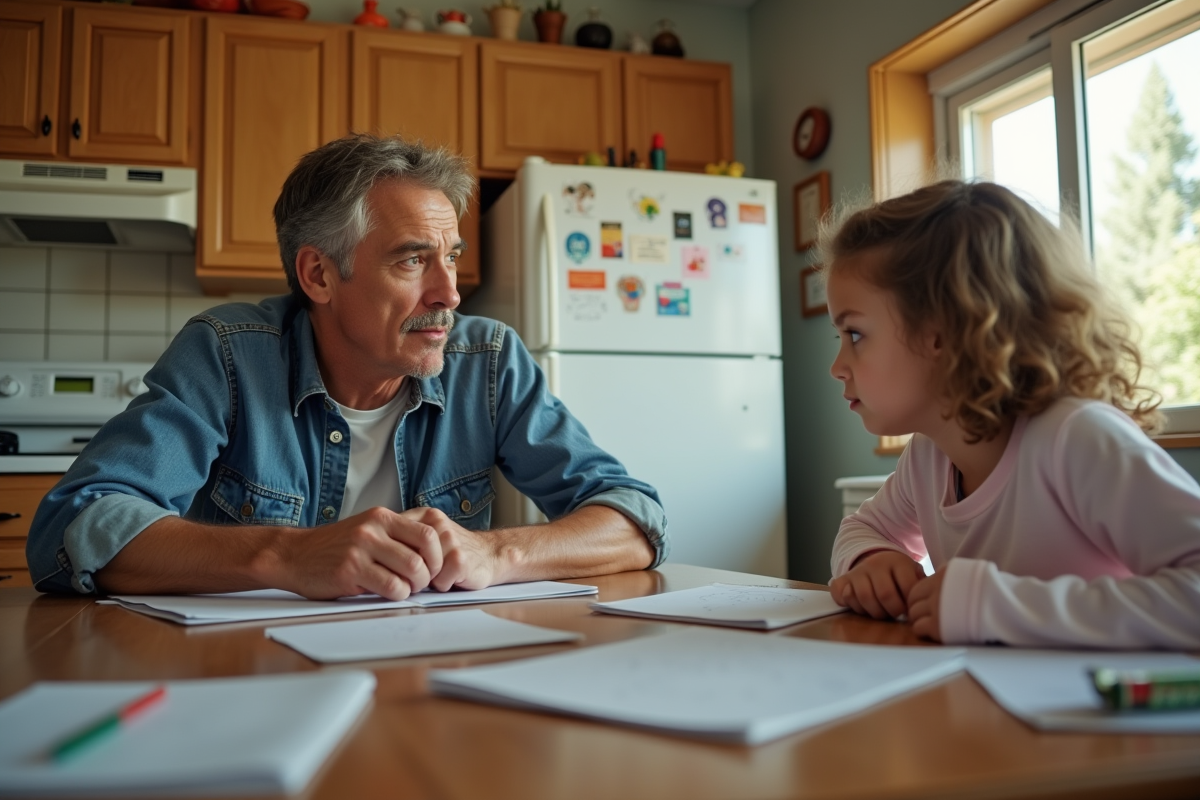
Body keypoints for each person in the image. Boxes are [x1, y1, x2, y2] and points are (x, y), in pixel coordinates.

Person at [27, 134, 668, 598]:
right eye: (414, 260)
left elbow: (633, 518)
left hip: (426, 684)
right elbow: (76, 524)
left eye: (452, 257)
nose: (450, 292)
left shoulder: (489, 363)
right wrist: (285, 555)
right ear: (319, 274)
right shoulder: (227, 354)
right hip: (243, 678)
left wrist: (495, 553)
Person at [823, 179, 1200, 649]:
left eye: (854, 334)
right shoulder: (929, 454)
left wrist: (998, 607)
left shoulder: (1076, 437)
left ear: (944, 333)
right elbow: (863, 528)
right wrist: (870, 561)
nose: (837, 367)